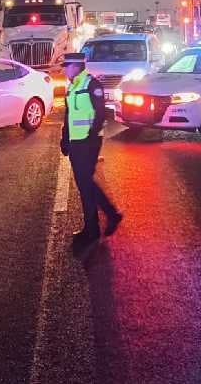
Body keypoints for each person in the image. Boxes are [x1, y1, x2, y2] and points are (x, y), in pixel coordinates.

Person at [60, 52, 123, 251]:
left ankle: (95, 228)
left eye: (66, 65)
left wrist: (90, 136)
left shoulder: (91, 84)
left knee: (85, 184)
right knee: (85, 185)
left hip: (89, 142)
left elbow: (100, 113)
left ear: (76, 66)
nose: (63, 69)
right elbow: (68, 115)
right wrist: (65, 138)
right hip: (76, 142)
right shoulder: (72, 86)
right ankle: (100, 222)